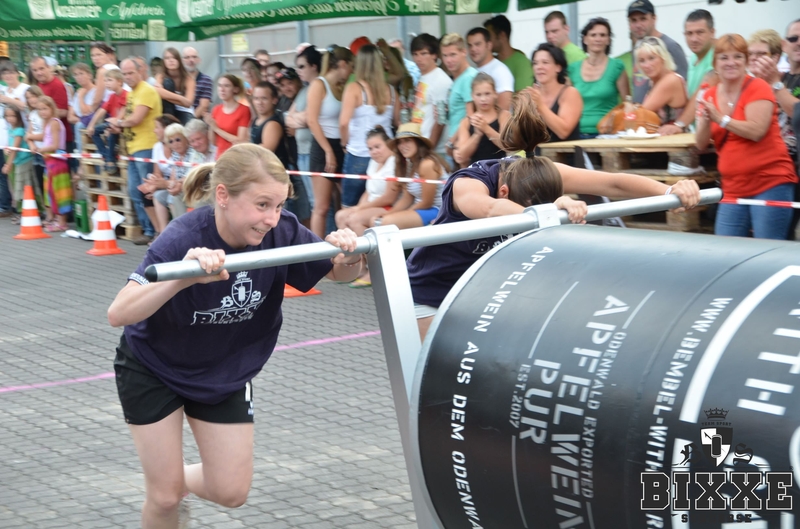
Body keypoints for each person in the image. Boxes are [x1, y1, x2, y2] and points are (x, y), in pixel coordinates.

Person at [106, 142, 363, 529]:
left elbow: (339, 274)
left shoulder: (282, 230)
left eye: (279, 205)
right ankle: (167, 488)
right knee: (164, 498)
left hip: (224, 369)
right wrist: (183, 278)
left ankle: (172, 481)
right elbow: (118, 312)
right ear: (223, 196)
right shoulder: (183, 236)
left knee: (231, 492)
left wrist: (350, 256)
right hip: (154, 367)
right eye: (262, 205)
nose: (272, 218)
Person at [407, 90, 702, 339]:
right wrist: (548, 213)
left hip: (481, 290)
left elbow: (613, 182)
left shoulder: (539, 170)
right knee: (437, 372)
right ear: (504, 191)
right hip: (430, 290)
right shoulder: (469, 183)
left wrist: (668, 191)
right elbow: (491, 209)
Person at [696, 34, 797, 240]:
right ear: (715, 63)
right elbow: (700, 144)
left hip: (770, 181)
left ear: (745, 61)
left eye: (738, 57)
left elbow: (756, 131)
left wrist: (720, 118)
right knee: (726, 249)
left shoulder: (758, 86)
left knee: (767, 249)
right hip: (733, 186)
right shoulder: (709, 95)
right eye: (724, 57)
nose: (731, 62)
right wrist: (706, 120)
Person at [110, 58, 162, 245]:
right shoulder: (132, 93)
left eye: (131, 73)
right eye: (124, 74)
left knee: (147, 191)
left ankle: (157, 231)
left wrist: (118, 122)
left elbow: (136, 119)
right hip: (133, 148)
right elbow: (128, 118)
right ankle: (148, 229)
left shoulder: (146, 90)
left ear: (140, 71)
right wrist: (119, 124)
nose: (127, 77)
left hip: (146, 146)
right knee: (135, 190)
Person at [340, 44, 399, 209]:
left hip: (359, 152)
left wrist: (344, 143)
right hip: (386, 154)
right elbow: (398, 123)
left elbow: (343, 122)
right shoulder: (392, 91)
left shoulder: (354, 88)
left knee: (349, 206)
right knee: (378, 204)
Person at [306, 45, 354, 238]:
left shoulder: (342, 87)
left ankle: (344, 242)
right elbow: (312, 120)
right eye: (351, 67)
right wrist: (328, 150)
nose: (351, 72)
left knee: (344, 203)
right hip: (323, 145)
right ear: (342, 64)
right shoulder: (319, 85)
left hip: (341, 146)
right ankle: (315, 248)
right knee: (322, 206)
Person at [251, 81, 310, 226]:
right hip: (267, 177)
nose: (259, 102)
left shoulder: (273, 123)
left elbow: (266, 148)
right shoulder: (256, 120)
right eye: (256, 98)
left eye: (264, 98)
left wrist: (243, 148)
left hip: (282, 178)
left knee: (292, 220)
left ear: (274, 100)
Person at [371, 122, 448, 231]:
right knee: (376, 220)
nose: (402, 146)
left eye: (407, 140)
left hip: (438, 210)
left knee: (385, 223)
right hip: (421, 209)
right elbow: (407, 198)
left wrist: (403, 214)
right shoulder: (410, 164)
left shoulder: (427, 164)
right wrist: (389, 213)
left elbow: (427, 202)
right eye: (399, 142)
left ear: (418, 142)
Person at [661, 10, 718, 136]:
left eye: (700, 32)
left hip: (716, 137)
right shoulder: (694, 56)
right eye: (689, 33)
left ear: (712, 32)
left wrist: (679, 124)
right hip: (700, 134)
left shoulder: (719, 56)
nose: (694, 39)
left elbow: (701, 94)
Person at [569, 18, 629, 138]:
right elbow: (567, 105)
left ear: (608, 40)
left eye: (602, 35)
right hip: (577, 134)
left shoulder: (617, 66)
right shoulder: (572, 69)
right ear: (585, 39)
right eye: (593, 35)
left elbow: (627, 103)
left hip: (607, 134)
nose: (598, 39)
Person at [628, 0, 688, 104]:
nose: (638, 25)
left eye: (643, 19)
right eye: (633, 20)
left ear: (654, 19)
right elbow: (639, 85)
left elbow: (684, 86)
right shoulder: (638, 48)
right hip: (640, 112)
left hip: (664, 112)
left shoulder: (670, 46)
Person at [286, 45, 323, 207]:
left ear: (313, 66)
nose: (298, 71)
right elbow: (287, 118)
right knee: (312, 201)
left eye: (302, 66)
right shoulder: (303, 91)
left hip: (313, 151)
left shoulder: (320, 87)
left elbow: (310, 118)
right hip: (302, 152)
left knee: (319, 203)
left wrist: (298, 118)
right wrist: (301, 118)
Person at [528, 44, 582, 149]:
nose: (539, 67)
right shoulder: (533, 94)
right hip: (537, 156)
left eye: (545, 62)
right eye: (535, 63)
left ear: (558, 67)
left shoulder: (570, 93)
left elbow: (563, 132)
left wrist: (540, 106)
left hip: (565, 156)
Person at [31, 96, 72, 232]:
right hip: (49, 160)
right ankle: (56, 219)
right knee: (50, 191)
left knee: (59, 191)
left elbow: (54, 145)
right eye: (39, 109)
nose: (42, 112)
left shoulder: (54, 122)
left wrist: (41, 149)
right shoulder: (47, 122)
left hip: (57, 161)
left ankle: (62, 222)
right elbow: (45, 138)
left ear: (52, 108)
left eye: (45, 108)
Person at [151, 123, 201, 234]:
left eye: (178, 139)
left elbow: (189, 177)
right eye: (171, 141)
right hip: (179, 187)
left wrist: (168, 184)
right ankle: (164, 233)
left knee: (173, 196)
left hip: (190, 188)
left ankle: (179, 232)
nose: (175, 144)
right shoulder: (175, 155)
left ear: (185, 138)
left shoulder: (193, 152)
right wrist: (160, 184)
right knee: (158, 195)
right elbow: (173, 178)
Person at [137, 113, 181, 236]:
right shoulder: (157, 147)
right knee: (144, 191)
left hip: (176, 180)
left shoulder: (177, 145)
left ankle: (168, 232)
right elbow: (157, 171)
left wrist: (159, 185)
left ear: (166, 129)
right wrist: (155, 183)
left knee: (158, 193)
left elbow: (175, 175)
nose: (154, 130)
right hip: (164, 180)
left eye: (157, 127)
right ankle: (159, 232)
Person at [30, 57, 75, 176]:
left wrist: (42, 113)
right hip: (46, 140)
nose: (39, 73)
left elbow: (64, 112)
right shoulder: (39, 85)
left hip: (61, 141)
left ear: (49, 68)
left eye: (41, 69)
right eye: (35, 70)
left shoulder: (57, 85)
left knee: (62, 178)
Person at [454, 73, 510, 166]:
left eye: (487, 94)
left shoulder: (503, 115)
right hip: (476, 171)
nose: (483, 99)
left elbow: (506, 145)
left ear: (495, 94)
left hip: (498, 170)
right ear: (472, 96)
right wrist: (477, 135)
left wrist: (486, 128)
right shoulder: (466, 122)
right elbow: (462, 156)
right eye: (478, 95)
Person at [410, 34, 453, 154]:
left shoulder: (440, 80)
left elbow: (440, 121)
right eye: (415, 54)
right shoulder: (423, 77)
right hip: (420, 144)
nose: (418, 59)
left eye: (423, 54)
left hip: (434, 150)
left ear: (434, 55)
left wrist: (429, 149)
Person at [440, 33, 478, 166]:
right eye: (445, 55)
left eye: (453, 55)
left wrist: (451, 142)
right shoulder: (459, 77)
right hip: (457, 145)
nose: (448, 60)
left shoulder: (468, 77)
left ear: (464, 52)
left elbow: (470, 116)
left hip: (463, 146)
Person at [636, 37, 689, 127]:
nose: (647, 65)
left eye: (651, 58)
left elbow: (641, 114)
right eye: (642, 61)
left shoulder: (670, 80)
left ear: (663, 58)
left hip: (676, 135)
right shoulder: (654, 81)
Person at [0, 62, 29, 216]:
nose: (8, 76)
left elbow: (26, 107)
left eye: (11, 72)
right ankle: (13, 205)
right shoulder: (5, 90)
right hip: (8, 136)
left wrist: (9, 100)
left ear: (18, 73)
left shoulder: (24, 89)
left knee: (25, 175)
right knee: (10, 174)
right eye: (5, 74)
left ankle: (27, 208)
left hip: (24, 135)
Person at [86, 69, 127, 175]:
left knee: (111, 131)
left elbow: (123, 113)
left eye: (110, 80)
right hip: (112, 124)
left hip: (123, 124)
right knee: (94, 131)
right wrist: (91, 125)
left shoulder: (125, 94)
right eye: (105, 81)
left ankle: (110, 161)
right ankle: (107, 157)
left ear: (119, 82)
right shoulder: (112, 96)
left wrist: (114, 124)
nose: (106, 83)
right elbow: (101, 110)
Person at [2, 106, 38, 221]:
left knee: (24, 187)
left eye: (13, 116)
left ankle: (27, 213)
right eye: (7, 116)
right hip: (18, 162)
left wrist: (8, 164)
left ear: (18, 117)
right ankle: (24, 212)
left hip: (24, 161)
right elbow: (10, 147)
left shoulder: (19, 131)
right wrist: (6, 150)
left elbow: (15, 149)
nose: (10, 118)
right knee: (20, 188)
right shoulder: (11, 130)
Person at [466, 28, 514, 112]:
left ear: (489, 45)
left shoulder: (500, 71)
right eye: (470, 45)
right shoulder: (473, 71)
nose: (473, 49)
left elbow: (504, 108)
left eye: (478, 44)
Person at [206, 74, 251, 159]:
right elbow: (214, 142)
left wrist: (216, 129)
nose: (222, 89)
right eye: (220, 85)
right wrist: (211, 125)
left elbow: (241, 141)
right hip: (220, 157)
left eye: (226, 86)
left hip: (236, 157)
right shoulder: (216, 109)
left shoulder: (244, 110)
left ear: (235, 89)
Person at [484, 15, 534, 92]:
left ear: (502, 35)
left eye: (489, 37)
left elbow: (523, 95)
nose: (486, 41)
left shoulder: (522, 62)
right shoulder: (491, 62)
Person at [154, 47, 196, 125]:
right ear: (164, 62)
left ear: (179, 60)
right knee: (167, 82)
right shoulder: (160, 76)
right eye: (167, 58)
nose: (171, 60)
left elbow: (188, 103)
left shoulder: (188, 78)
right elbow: (157, 91)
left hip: (184, 111)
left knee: (188, 127)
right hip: (167, 109)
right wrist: (181, 99)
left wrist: (165, 95)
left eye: (174, 58)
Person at [67, 62, 97, 162]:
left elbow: (86, 112)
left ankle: (82, 160)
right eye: (76, 75)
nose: (78, 77)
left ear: (89, 75)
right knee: (79, 125)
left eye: (81, 73)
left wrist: (81, 97)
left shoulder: (95, 91)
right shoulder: (78, 92)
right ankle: (81, 160)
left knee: (79, 125)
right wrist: (82, 119)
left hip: (93, 127)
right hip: (83, 127)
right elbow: (70, 117)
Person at [88, 43, 122, 112]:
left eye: (99, 55)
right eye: (93, 55)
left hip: (111, 108)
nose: (95, 58)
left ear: (108, 55)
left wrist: (90, 112)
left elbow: (97, 99)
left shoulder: (102, 71)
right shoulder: (115, 67)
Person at [182, 46, 213, 119]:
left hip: (197, 121)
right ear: (182, 61)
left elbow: (204, 106)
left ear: (199, 60)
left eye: (194, 57)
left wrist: (189, 121)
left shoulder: (206, 80)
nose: (191, 60)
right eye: (187, 57)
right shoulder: (178, 79)